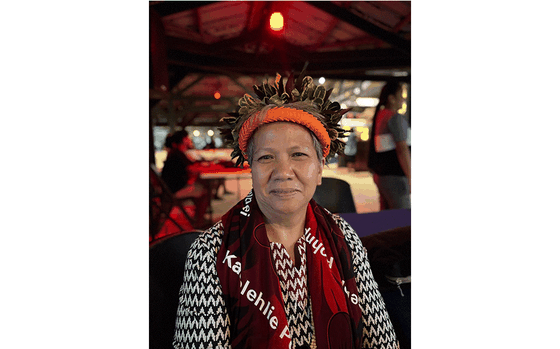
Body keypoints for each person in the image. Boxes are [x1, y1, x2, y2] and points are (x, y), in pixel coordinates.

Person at [172, 72, 400, 349]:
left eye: (299, 155)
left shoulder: (344, 238)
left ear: (319, 169)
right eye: (266, 157)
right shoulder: (210, 254)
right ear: (251, 170)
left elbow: (381, 340)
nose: (283, 172)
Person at [367, 81, 411, 210]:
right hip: (396, 176)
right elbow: (402, 149)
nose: (403, 99)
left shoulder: (381, 116)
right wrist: (410, 176)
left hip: (382, 175)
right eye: (400, 95)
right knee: (402, 219)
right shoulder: (395, 118)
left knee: (387, 216)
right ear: (391, 98)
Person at [161, 130, 210, 228]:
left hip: (170, 189)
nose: (190, 140)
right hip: (174, 191)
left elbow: (190, 167)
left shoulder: (176, 153)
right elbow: (192, 169)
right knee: (204, 192)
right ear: (184, 140)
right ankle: (199, 223)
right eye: (188, 138)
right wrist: (208, 166)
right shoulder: (178, 154)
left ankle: (197, 218)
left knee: (201, 186)